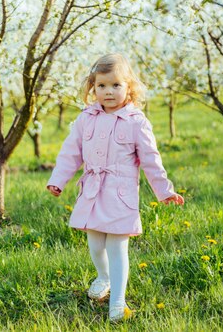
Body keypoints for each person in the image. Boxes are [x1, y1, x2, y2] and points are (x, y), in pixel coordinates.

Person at [46, 53, 184, 322]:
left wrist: (164, 191)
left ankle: (118, 303)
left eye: (116, 85)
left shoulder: (136, 122)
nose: (108, 92)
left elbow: (151, 160)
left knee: (117, 248)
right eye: (101, 86)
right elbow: (70, 152)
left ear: (129, 87)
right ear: (92, 88)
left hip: (121, 195)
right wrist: (58, 179)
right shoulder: (86, 118)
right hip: (93, 192)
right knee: (95, 244)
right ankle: (103, 276)